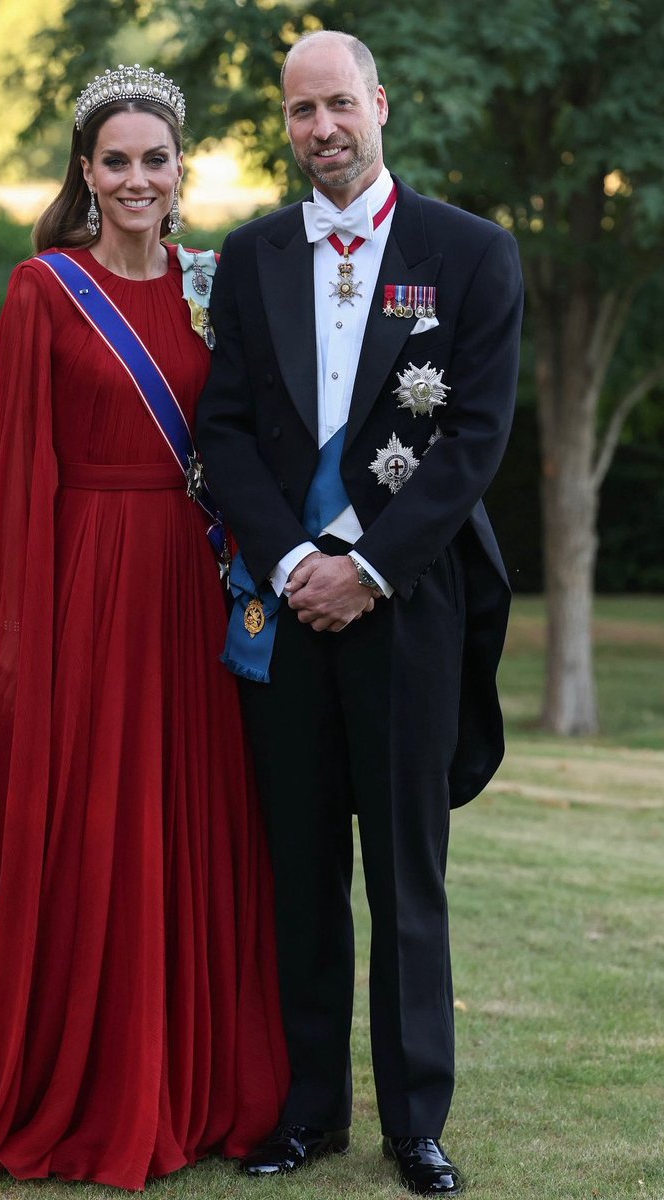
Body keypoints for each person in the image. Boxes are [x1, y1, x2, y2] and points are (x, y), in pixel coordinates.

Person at [0, 65, 288, 1191]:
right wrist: (27, 639)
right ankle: (88, 1076)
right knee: (100, 816)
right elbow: (19, 479)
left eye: (156, 159)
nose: (138, 179)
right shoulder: (44, 288)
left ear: (181, 169)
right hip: (91, 583)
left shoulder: (214, 284)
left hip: (193, 586)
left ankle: (195, 1080)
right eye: (116, 161)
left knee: (194, 815)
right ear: (86, 174)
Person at [196, 30, 523, 1197]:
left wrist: (367, 568)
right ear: (285, 123)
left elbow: (474, 438)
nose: (322, 128)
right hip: (287, 607)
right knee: (299, 872)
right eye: (301, 111)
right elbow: (225, 429)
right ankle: (308, 1114)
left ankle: (417, 1124)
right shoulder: (251, 255)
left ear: (381, 104)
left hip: (408, 602)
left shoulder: (471, 251)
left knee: (405, 878)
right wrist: (292, 559)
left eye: (339, 103)